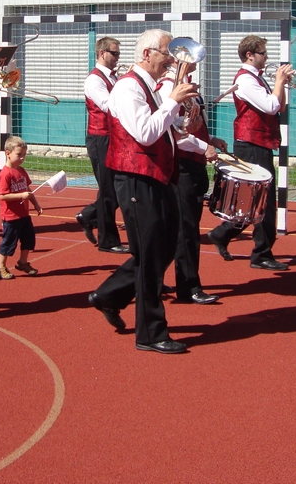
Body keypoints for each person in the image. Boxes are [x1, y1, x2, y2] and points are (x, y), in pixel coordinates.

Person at [87, 29, 205, 354]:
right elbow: (145, 133)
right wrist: (173, 101)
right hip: (137, 178)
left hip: (157, 176)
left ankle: (109, 295)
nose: (172, 60)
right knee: (152, 256)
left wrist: (188, 124)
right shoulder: (128, 87)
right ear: (147, 54)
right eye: (167, 53)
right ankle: (150, 333)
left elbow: (165, 131)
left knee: (162, 250)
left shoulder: (150, 86)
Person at [206, 35, 292, 270]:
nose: (267, 57)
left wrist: (282, 84)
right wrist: (279, 80)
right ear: (250, 55)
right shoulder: (246, 80)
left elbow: (280, 105)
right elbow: (271, 106)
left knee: (257, 200)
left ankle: (223, 234)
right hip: (251, 142)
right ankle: (261, 253)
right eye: (263, 53)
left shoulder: (257, 78)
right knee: (264, 201)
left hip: (260, 142)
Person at [159, 62, 224, 305]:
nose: (195, 61)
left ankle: (155, 279)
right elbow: (174, 133)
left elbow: (190, 124)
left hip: (192, 163)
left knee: (180, 229)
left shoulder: (185, 85)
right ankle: (188, 287)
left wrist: (210, 138)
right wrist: (203, 146)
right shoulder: (169, 87)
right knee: (186, 231)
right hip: (182, 165)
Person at [76, 36, 127, 252]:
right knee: (108, 191)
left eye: (118, 53)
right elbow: (108, 105)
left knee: (118, 188)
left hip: (114, 138)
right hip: (100, 138)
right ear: (102, 53)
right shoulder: (94, 80)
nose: (117, 57)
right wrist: (126, 89)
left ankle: (88, 216)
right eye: (114, 53)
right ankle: (108, 241)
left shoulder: (114, 78)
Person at [0, 135, 42, 279]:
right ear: (8, 153)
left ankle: (23, 262)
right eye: (19, 155)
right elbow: (3, 196)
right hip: (11, 216)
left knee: (29, 239)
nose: (22, 158)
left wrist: (36, 204)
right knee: (9, 242)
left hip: (24, 214)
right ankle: (0, 266)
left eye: (24, 155)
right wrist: (21, 195)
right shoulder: (5, 174)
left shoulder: (21, 171)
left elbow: (28, 190)